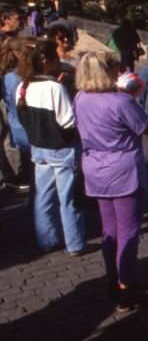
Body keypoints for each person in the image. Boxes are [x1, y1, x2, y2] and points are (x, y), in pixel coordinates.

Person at [74, 52, 148, 312]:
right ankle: (126, 286)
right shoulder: (121, 101)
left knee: (109, 230)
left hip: (95, 166)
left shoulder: (79, 98)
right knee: (129, 231)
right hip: (122, 168)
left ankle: (113, 279)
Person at [15, 39, 86, 255]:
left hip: (38, 146)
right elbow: (68, 122)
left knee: (43, 196)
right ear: (49, 61)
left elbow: (21, 116)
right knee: (67, 198)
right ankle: (74, 243)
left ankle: (46, 239)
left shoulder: (23, 86)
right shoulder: (55, 88)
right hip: (61, 148)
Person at [0, 36, 32, 192]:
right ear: (19, 54)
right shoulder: (15, 78)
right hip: (24, 127)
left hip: (17, 126)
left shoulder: (9, 77)